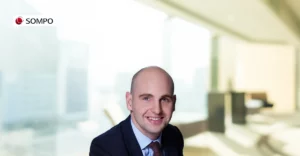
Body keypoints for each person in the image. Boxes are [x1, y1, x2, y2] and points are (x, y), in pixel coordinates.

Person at [89, 66, 184, 156]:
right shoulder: (105, 148)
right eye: (146, 98)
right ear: (130, 102)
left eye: (164, 99)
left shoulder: (174, 135)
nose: (157, 110)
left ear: (174, 103)